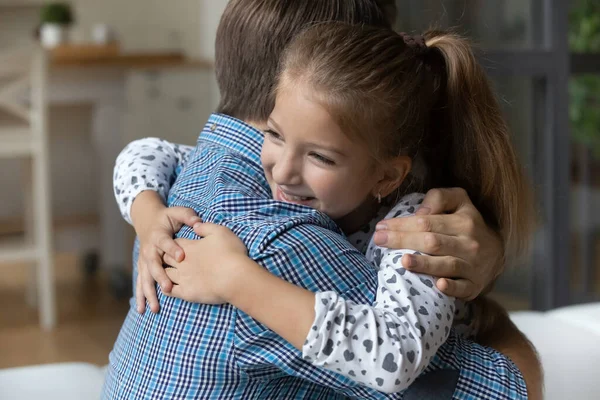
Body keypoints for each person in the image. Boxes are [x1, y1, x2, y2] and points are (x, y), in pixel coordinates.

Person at [103, 1, 542, 399]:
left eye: (320, 155)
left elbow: (395, 355)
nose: (282, 171)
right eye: (275, 134)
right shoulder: (267, 217)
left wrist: (236, 277)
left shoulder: (203, 182)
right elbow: (142, 153)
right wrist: (147, 214)